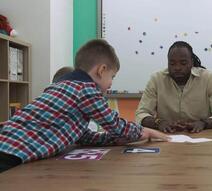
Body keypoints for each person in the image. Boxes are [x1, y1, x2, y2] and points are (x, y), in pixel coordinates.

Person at [0, 39, 169, 173]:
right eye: (112, 77)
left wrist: (116, 139)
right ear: (101, 70)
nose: (110, 84)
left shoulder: (61, 86)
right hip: (11, 155)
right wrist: (143, 132)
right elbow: (115, 125)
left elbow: (82, 136)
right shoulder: (86, 89)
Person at [135, 41, 212, 133]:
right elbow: (141, 114)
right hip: (166, 137)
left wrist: (203, 123)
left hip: (202, 137)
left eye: (183, 63)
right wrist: (158, 122)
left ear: (191, 62)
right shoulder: (156, 80)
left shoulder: (209, 79)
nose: (177, 67)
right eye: (172, 63)